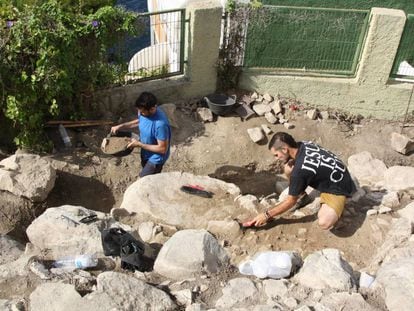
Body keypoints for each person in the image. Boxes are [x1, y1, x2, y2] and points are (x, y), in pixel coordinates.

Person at [244, 132, 356, 230]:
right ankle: (301, 195)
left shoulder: (300, 171)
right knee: (288, 168)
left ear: (284, 149)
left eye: (276, 155)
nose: (276, 158)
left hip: (340, 186)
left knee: (324, 222)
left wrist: (266, 215)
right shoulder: (303, 144)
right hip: (338, 170)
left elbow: (290, 201)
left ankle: (339, 202)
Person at [110, 92, 171, 177]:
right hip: (146, 151)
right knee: (145, 169)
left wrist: (139, 144)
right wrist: (121, 126)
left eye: (142, 112)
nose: (140, 113)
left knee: (144, 179)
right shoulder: (143, 112)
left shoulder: (160, 125)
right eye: (139, 110)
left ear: (152, 109)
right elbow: (140, 121)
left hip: (155, 158)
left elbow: (162, 149)